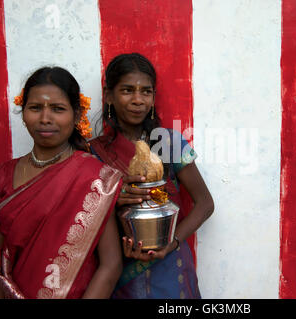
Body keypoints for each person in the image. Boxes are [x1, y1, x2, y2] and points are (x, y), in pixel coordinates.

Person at [0, 67, 123, 299]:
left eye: (58, 109)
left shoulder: (95, 177)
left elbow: (111, 265)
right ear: (23, 111)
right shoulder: (3, 176)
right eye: (35, 108)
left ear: (77, 115)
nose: (45, 118)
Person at [89, 53, 214, 299]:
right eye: (127, 90)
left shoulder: (168, 143)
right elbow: (83, 218)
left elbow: (205, 204)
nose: (138, 100)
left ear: (153, 97)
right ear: (108, 96)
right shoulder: (92, 153)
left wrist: (172, 243)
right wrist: (113, 197)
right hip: (120, 274)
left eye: (146, 92)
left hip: (171, 272)